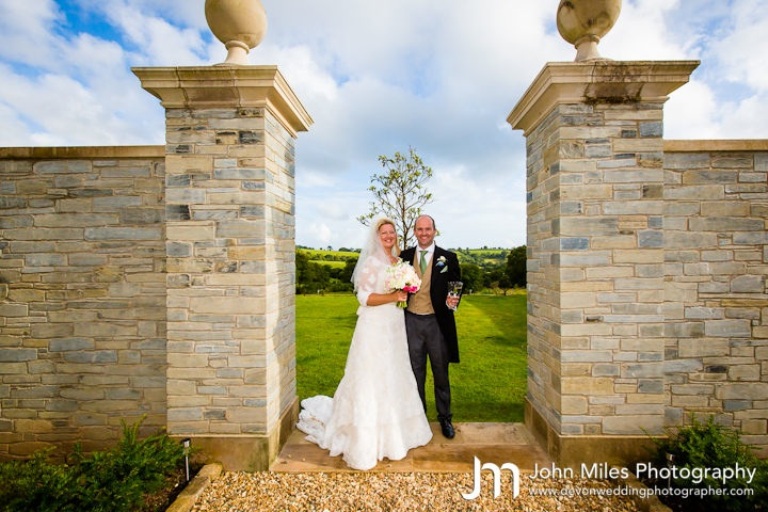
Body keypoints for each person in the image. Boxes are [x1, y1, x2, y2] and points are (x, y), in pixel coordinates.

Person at [296, 218, 433, 470]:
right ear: (376, 236)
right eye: (384, 233)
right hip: (374, 327)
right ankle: (367, 440)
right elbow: (363, 297)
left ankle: (397, 435)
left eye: (392, 232)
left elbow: (404, 291)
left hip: (394, 325)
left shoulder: (399, 262)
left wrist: (404, 291)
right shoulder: (372, 262)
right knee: (371, 376)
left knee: (394, 373)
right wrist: (394, 296)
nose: (389, 236)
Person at [400, 214, 461, 439]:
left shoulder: (448, 257)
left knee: (440, 373)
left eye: (428, 229)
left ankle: (445, 418)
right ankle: (418, 418)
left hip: (437, 323)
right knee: (415, 373)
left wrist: (454, 299)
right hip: (411, 322)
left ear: (435, 231)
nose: (424, 233)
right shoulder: (404, 257)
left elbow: (455, 284)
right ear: (414, 231)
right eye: (420, 229)